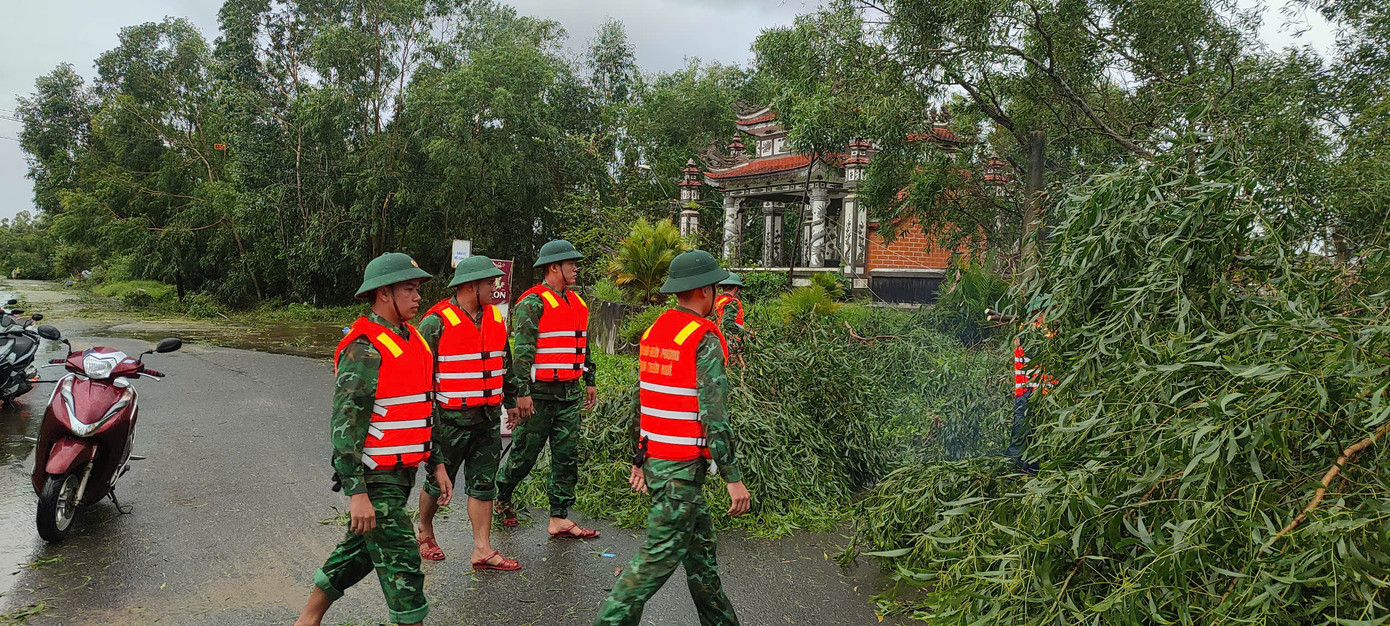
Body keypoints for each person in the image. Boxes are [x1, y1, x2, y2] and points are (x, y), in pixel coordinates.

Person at [593, 249, 751, 626]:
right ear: (704, 291)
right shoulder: (702, 337)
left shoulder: (657, 329)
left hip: (663, 463)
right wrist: (733, 478)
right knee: (651, 563)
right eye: (715, 287)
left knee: (702, 567)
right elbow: (715, 414)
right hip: (680, 472)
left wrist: (639, 457)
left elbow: (640, 398)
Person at [295, 252, 451, 626]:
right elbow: (345, 427)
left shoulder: (414, 339)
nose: (418, 297)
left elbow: (423, 409)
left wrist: (438, 461)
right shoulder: (363, 347)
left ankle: (307, 619)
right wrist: (356, 493)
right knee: (404, 568)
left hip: (404, 473)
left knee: (359, 553)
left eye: (418, 289)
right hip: (375, 477)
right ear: (384, 293)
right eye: (409, 289)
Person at [413, 255, 521, 570]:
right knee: (437, 483)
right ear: (470, 285)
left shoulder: (496, 318)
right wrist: (427, 425)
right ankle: (425, 530)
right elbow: (422, 380)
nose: (496, 286)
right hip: (449, 423)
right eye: (490, 282)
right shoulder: (436, 322)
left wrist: (510, 400)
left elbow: (505, 362)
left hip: (486, 420)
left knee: (484, 483)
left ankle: (482, 549)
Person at [494, 239, 600, 539]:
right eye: (571, 264)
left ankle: (559, 516)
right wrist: (521, 393)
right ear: (554, 267)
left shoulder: (577, 302)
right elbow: (523, 352)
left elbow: (583, 344)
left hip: (570, 392)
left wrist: (589, 379)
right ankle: (501, 497)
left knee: (567, 456)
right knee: (525, 454)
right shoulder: (532, 303)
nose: (576, 268)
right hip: (539, 394)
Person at [1005, 311, 1055, 474]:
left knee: (1034, 431)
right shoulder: (1030, 333)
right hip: (1031, 390)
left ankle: (1030, 467)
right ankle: (1015, 467)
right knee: (1022, 430)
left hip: (1036, 390)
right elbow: (1043, 344)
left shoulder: (1026, 330)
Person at [712, 273, 746, 351]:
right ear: (736, 288)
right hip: (730, 338)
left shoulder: (717, 300)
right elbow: (728, 323)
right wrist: (741, 334)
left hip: (717, 335)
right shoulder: (732, 302)